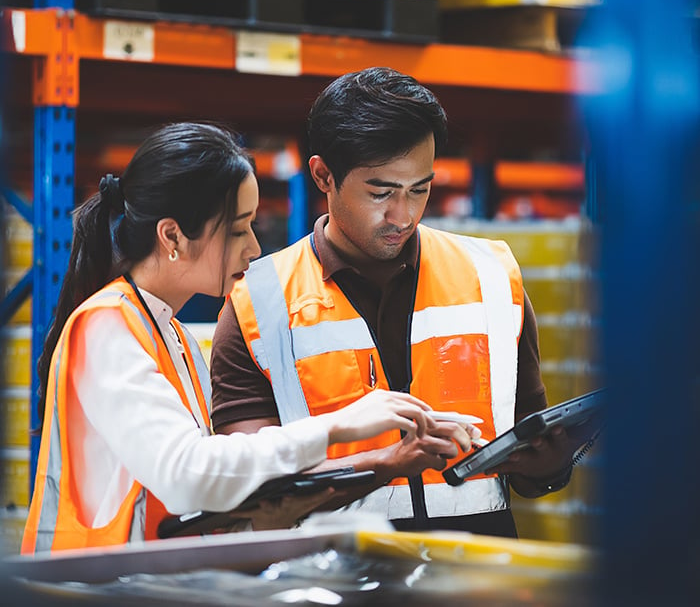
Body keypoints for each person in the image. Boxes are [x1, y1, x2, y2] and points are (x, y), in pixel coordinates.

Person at [21, 121, 474, 554]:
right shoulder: (105, 325)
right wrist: (336, 425)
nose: (255, 248)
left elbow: (183, 509)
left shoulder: (170, 334)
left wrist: (275, 514)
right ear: (172, 236)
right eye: (238, 229)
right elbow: (185, 474)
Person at [210, 68, 578, 538]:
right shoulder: (257, 305)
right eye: (380, 192)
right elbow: (248, 488)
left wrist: (549, 463)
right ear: (324, 175)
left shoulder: (492, 277)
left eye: (419, 189)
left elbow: (527, 455)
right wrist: (388, 463)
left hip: (473, 580)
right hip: (333, 582)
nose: (402, 215)